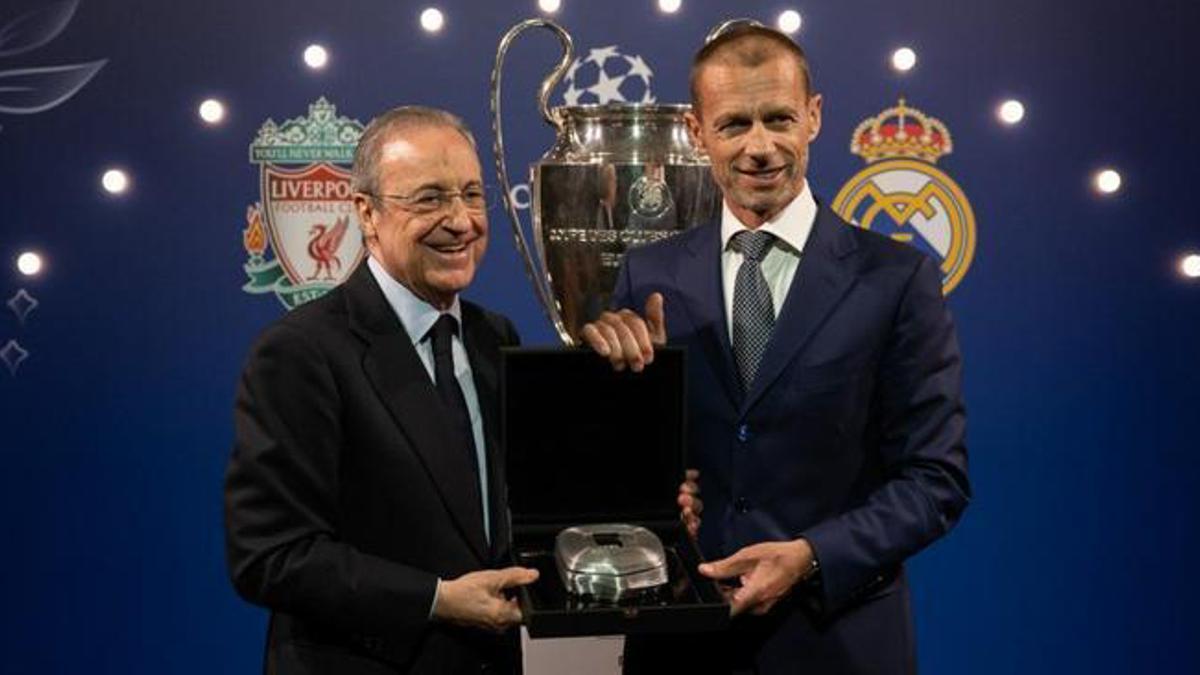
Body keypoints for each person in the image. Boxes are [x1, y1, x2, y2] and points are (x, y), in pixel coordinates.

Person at [581, 24, 970, 674]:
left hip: (838, 640)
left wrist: (809, 556)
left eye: (778, 119)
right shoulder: (647, 276)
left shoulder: (898, 279)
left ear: (813, 117)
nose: (760, 147)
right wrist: (640, 484)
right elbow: (626, 474)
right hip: (683, 641)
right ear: (697, 133)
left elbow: (936, 479)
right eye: (734, 124)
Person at [224, 106, 538, 674]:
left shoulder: (496, 338)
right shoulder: (302, 351)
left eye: (471, 194)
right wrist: (437, 599)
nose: (461, 220)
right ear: (366, 213)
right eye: (429, 199)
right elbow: (269, 555)